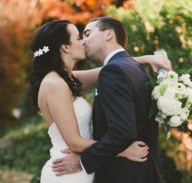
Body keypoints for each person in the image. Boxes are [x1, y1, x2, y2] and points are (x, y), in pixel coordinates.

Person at [29, 20, 171, 183]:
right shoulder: (55, 84)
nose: (83, 42)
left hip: (87, 167)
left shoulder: (68, 79)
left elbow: (113, 66)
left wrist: (147, 58)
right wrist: (122, 150)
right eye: (78, 38)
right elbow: (74, 143)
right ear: (65, 47)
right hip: (67, 171)